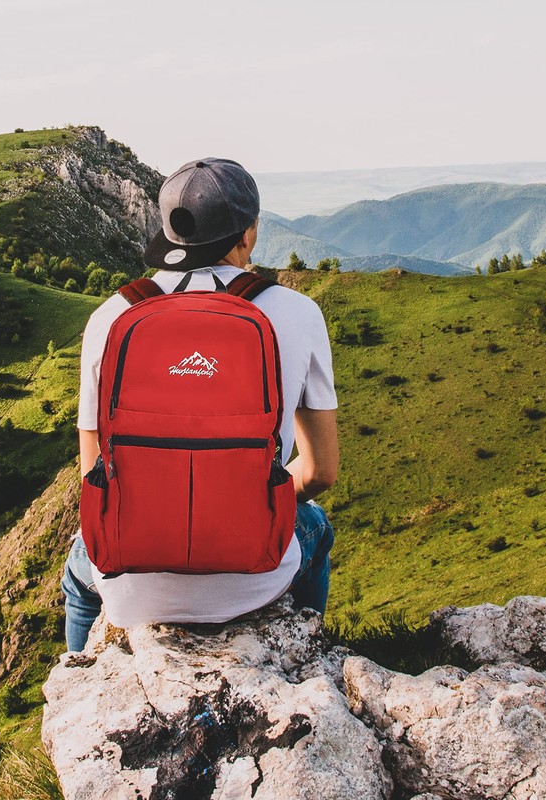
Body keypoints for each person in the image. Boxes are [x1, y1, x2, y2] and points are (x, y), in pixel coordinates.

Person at [62, 158, 339, 651]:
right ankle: (304, 648)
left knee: (77, 577)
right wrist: (245, 500)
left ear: (169, 233)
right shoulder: (298, 313)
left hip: (131, 581)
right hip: (255, 577)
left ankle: (82, 667)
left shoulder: (111, 316)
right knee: (316, 526)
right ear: (248, 233)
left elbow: (94, 476)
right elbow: (320, 472)